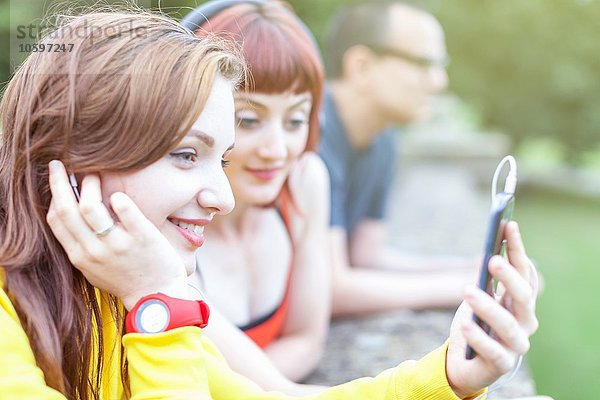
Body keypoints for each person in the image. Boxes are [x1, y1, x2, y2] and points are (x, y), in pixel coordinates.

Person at [0, 8, 540, 400]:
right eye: (187, 155)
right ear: (72, 161)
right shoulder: (127, 295)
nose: (224, 196)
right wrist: (157, 302)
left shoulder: (116, 291)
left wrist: (449, 375)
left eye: (221, 158)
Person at [184, 1, 330, 394]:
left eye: (296, 120)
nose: (277, 149)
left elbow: (307, 340)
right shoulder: (167, 219)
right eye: (248, 119)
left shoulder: (304, 183)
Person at [319, 0, 479, 316]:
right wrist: (467, 288)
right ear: (361, 66)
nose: (439, 81)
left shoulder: (383, 137)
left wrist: (469, 268)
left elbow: (365, 255)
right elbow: (330, 288)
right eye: (423, 64)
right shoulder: (310, 132)